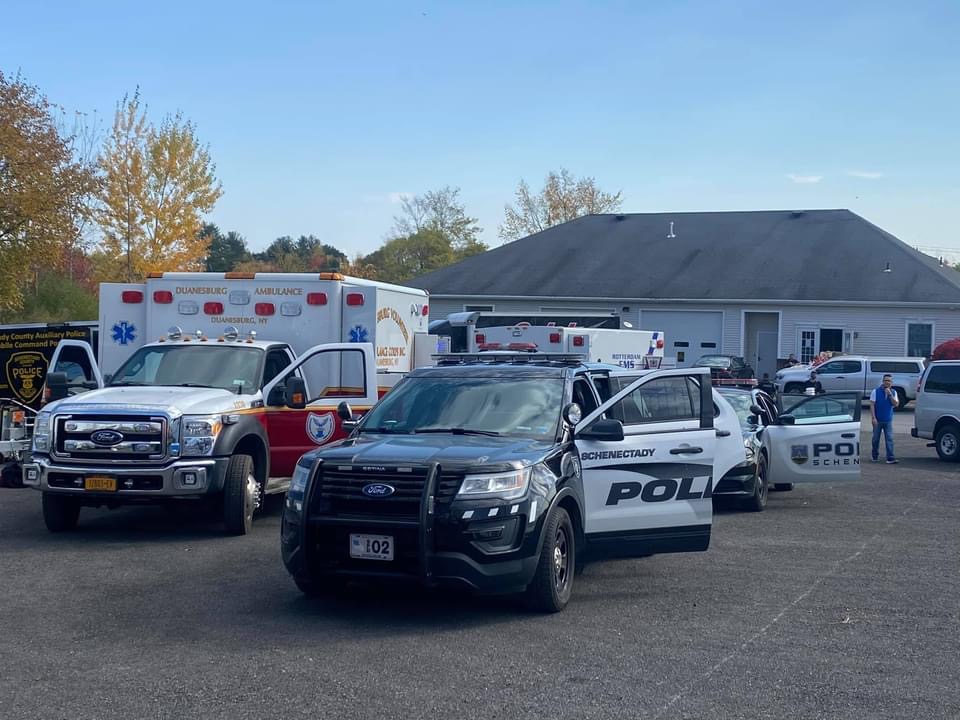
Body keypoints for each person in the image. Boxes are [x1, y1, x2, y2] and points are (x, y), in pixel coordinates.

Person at [870, 374, 899, 463]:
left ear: (891, 382)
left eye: (889, 381)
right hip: (878, 420)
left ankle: (890, 457)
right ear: (883, 381)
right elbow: (872, 405)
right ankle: (875, 456)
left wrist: (890, 395)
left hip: (888, 420)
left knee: (889, 439)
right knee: (875, 439)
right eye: (886, 380)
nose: (887, 382)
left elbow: (896, 404)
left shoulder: (894, 392)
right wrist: (873, 418)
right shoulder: (875, 391)